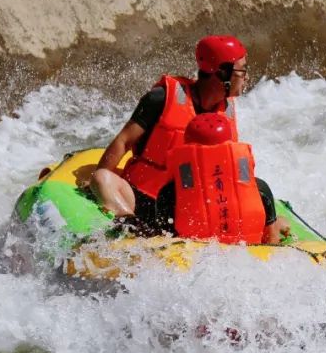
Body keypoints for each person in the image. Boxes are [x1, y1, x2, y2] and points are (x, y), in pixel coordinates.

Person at [91, 35, 249, 223]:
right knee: (102, 178)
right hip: (138, 195)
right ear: (222, 73)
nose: (246, 77)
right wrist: (95, 183)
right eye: (242, 71)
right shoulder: (162, 97)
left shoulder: (227, 113)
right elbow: (124, 141)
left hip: (187, 208)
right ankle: (128, 225)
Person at [153, 113, 290, 245]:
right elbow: (272, 242)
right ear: (230, 146)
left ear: (188, 149)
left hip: (194, 260)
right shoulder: (260, 189)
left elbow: (165, 244)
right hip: (249, 256)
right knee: (280, 223)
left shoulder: (169, 192)